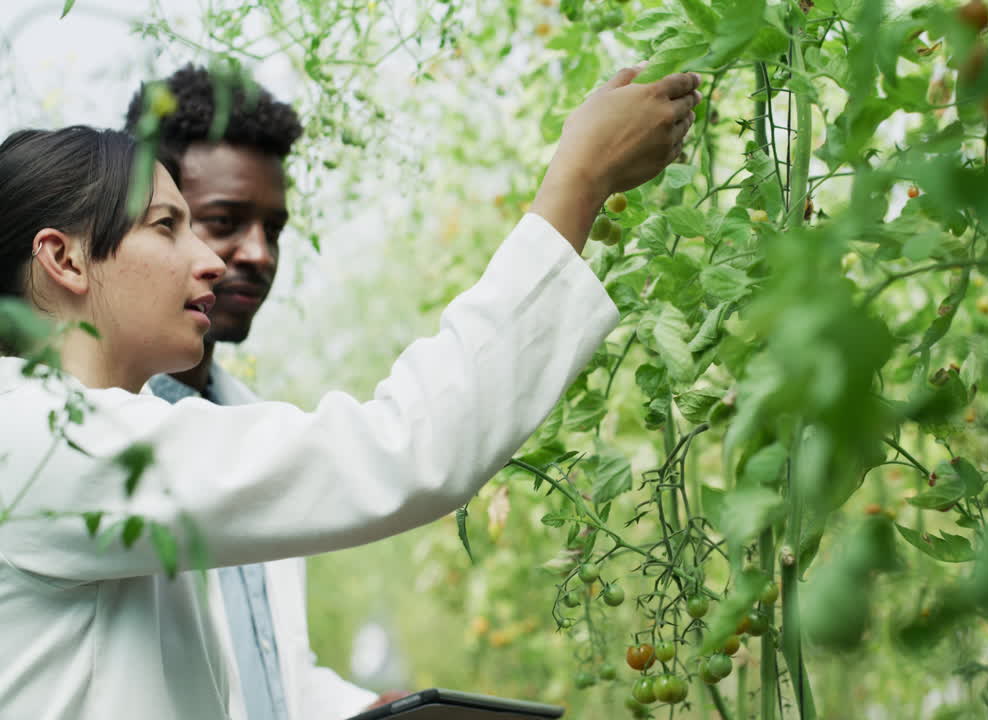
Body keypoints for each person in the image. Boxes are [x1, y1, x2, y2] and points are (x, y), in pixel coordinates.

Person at [0, 65, 701, 720]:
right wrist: (576, 183)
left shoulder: (100, 437)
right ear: (64, 258)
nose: (214, 260)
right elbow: (400, 450)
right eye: (167, 226)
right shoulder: (45, 439)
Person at [124, 65, 390, 719]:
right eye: (224, 221)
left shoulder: (247, 418)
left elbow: (268, 669)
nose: (258, 253)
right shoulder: (100, 434)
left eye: (273, 229)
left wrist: (380, 708)